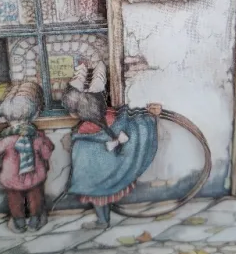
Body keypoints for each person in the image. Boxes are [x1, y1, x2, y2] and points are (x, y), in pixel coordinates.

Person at [61, 88, 161, 230]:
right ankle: (104, 218)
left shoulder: (84, 131)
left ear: (78, 112)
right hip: (116, 167)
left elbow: (82, 162)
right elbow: (135, 124)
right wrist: (150, 115)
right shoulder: (112, 115)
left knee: (98, 196)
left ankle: (102, 221)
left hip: (98, 177)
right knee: (103, 195)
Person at [0, 82, 54, 233]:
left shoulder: (6, 139)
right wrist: (45, 142)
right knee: (36, 198)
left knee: (14, 200)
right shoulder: (37, 137)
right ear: (33, 115)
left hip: (12, 177)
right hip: (34, 175)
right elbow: (46, 153)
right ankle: (35, 220)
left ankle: (19, 221)